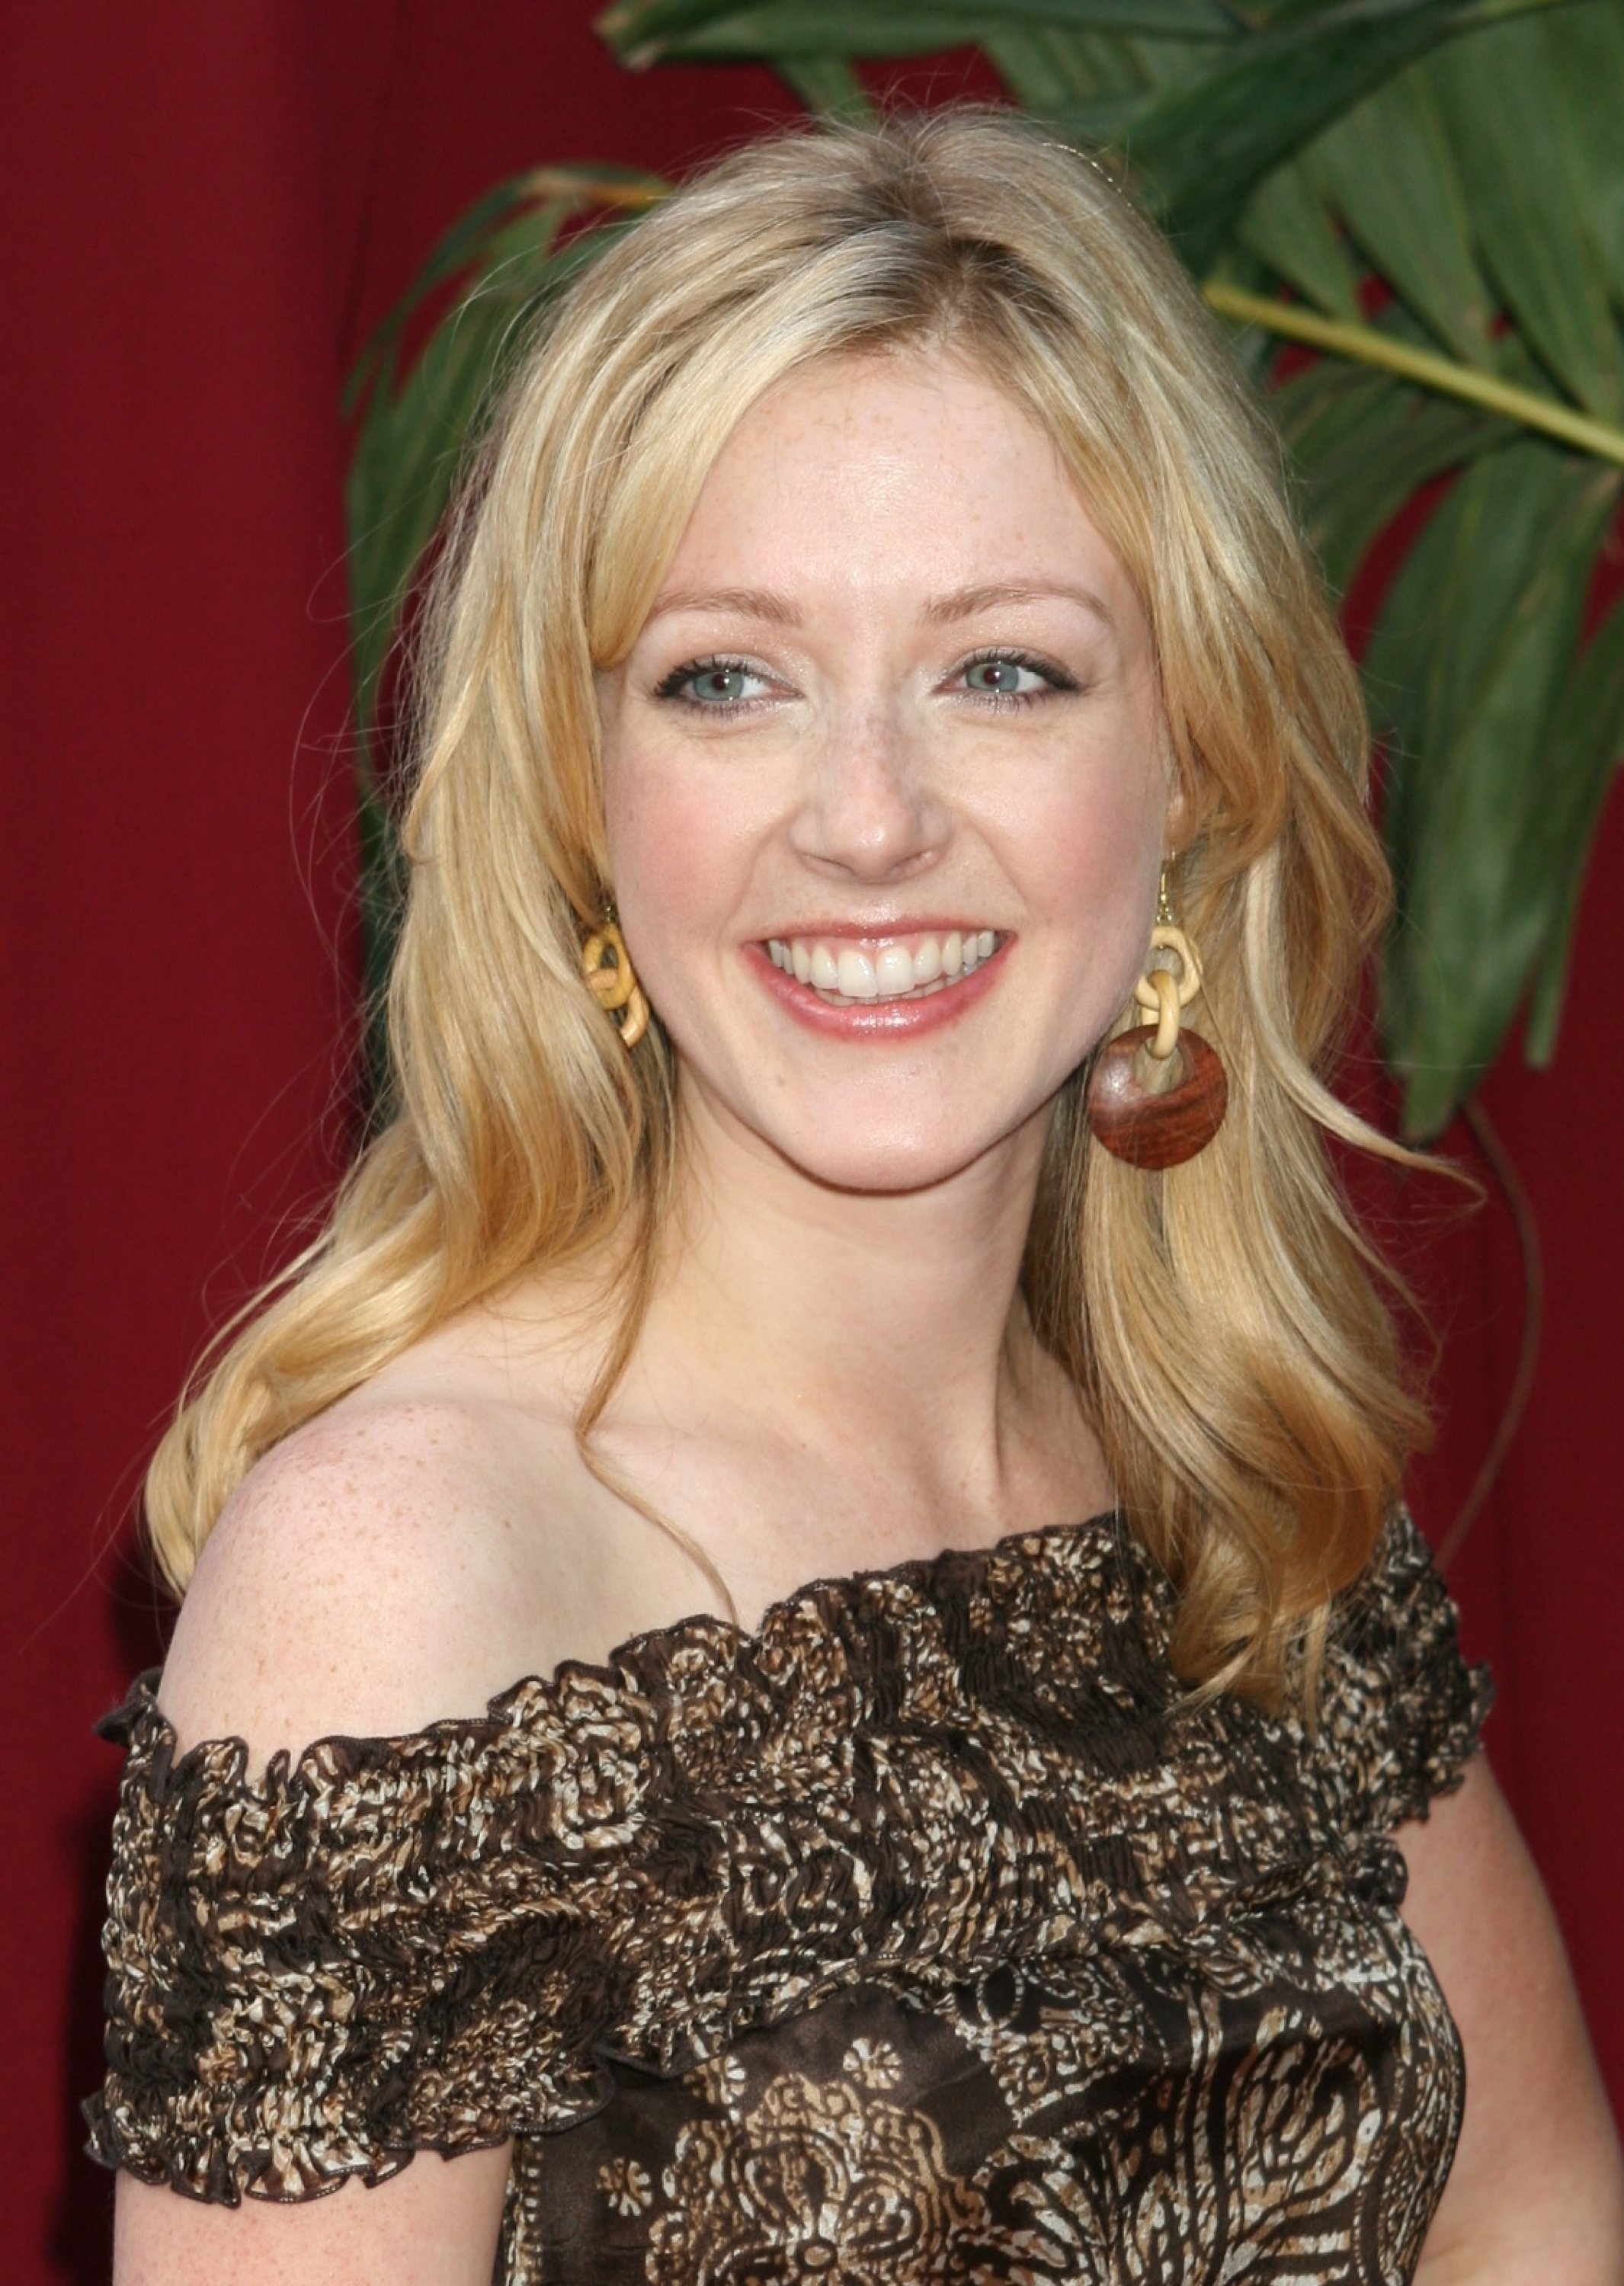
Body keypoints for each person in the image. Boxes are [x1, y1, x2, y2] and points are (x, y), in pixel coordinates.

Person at [88, 107, 1622, 2285]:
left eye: (1004, 671)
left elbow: (1537, 2215)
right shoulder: (405, 1568)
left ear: (1192, 768)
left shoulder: (1233, 1488)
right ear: (581, 799)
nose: (870, 820)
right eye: (727, 680)